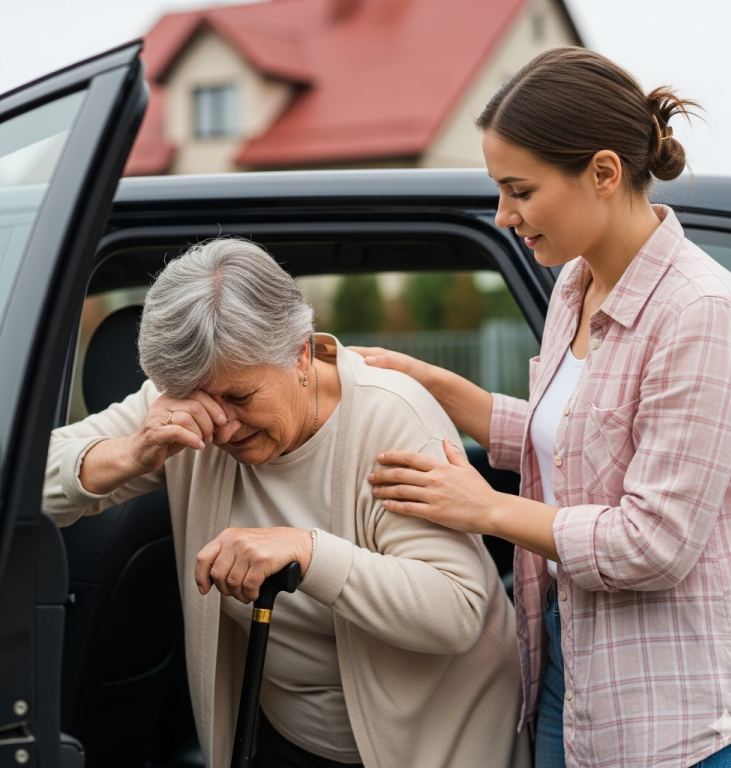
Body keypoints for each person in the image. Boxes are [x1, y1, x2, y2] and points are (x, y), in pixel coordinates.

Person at [359, 47, 731, 768]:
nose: (503, 213)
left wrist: (480, 507)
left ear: (603, 173)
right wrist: (434, 385)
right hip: (574, 688)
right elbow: (575, 440)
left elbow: (653, 544)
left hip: (686, 720)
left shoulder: (701, 312)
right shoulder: (576, 286)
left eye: (519, 190)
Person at [43, 239, 531, 768]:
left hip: (432, 747)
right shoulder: (191, 400)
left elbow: (454, 612)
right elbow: (27, 484)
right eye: (203, 402)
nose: (222, 426)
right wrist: (134, 451)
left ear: (301, 353)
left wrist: (308, 552)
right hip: (285, 741)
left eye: (240, 398)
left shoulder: (392, 418)